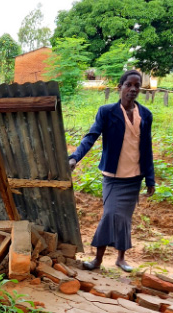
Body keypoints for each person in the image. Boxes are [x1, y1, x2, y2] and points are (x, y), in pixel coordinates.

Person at [68, 70, 155, 272]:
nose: (133, 89)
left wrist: (150, 179)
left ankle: (120, 258)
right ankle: (98, 259)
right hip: (113, 177)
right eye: (128, 85)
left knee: (124, 218)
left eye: (137, 85)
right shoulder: (107, 112)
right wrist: (74, 157)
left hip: (134, 177)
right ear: (120, 87)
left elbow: (147, 148)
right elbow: (91, 137)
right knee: (110, 214)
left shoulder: (146, 115)